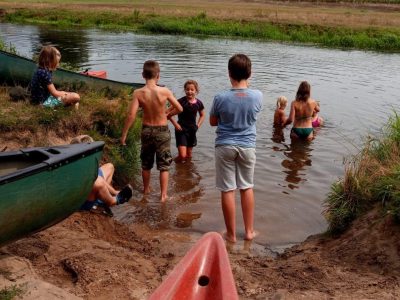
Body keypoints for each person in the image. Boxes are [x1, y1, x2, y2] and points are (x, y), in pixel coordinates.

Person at [209, 53, 263, 243]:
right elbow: (252, 116)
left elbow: (213, 122)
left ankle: (231, 235)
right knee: (247, 187)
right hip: (248, 146)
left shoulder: (220, 97)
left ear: (229, 73)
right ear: (250, 73)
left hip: (224, 145)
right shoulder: (258, 96)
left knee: (227, 190)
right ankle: (249, 232)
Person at [120, 60, 183, 202]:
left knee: (146, 163)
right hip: (162, 131)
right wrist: (167, 113)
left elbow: (131, 115)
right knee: (164, 165)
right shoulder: (165, 91)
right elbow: (179, 108)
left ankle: (146, 190)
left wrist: (124, 135)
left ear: (143, 75)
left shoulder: (138, 93)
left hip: (147, 130)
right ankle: (163, 196)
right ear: (158, 76)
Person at [169, 80, 205, 162]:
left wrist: (198, 126)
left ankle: (185, 171)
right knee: (182, 155)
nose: (189, 92)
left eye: (192, 89)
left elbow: (202, 115)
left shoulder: (199, 103)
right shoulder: (180, 101)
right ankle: (173, 162)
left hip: (192, 130)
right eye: (187, 89)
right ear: (184, 90)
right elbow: (169, 114)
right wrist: (176, 125)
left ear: (196, 90)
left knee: (188, 155)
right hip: (181, 130)